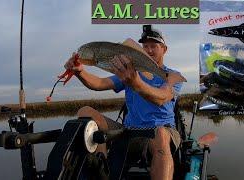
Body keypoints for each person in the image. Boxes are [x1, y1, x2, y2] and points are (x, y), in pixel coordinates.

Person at [64, 25, 183, 180]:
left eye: (154, 46)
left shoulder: (174, 75)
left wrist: (136, 83)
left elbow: (162, 97)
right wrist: (80, 72)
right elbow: (100, 83)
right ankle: (103, 168)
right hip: (128, 132)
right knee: (85, 112)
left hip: (161, 132)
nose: (149, 50)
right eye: (145, 46)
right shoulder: (130, 72)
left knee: (160, 134)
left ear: (164, 49)